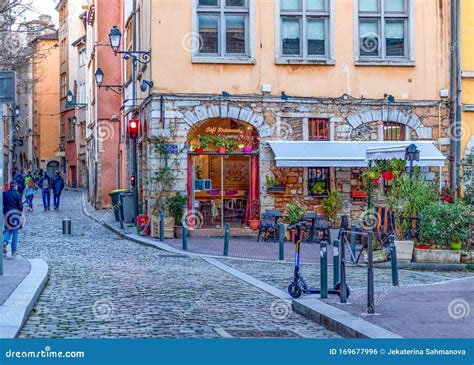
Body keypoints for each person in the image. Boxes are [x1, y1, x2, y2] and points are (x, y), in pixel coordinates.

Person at [3, 181, 23, 257]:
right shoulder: (18, 194)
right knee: (15, 232)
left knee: (8, 229)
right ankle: (13, 251)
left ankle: (5, 242)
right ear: (16, 186)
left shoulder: (5, 194)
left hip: (7, 214)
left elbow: (3, 204)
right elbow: (20, 207)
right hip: (15, 215)